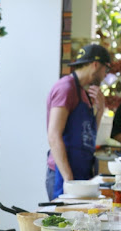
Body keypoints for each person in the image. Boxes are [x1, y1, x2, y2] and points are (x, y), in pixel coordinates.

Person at [46, 44, 110, 200]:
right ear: (96, 65)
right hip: (63, 176)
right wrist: (69, 180)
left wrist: (100, 110)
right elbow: (54, 135)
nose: (105, 75)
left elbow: (88, 134)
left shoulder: (82, 92)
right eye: (106, 69)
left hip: (80, 173)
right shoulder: (66, 88)